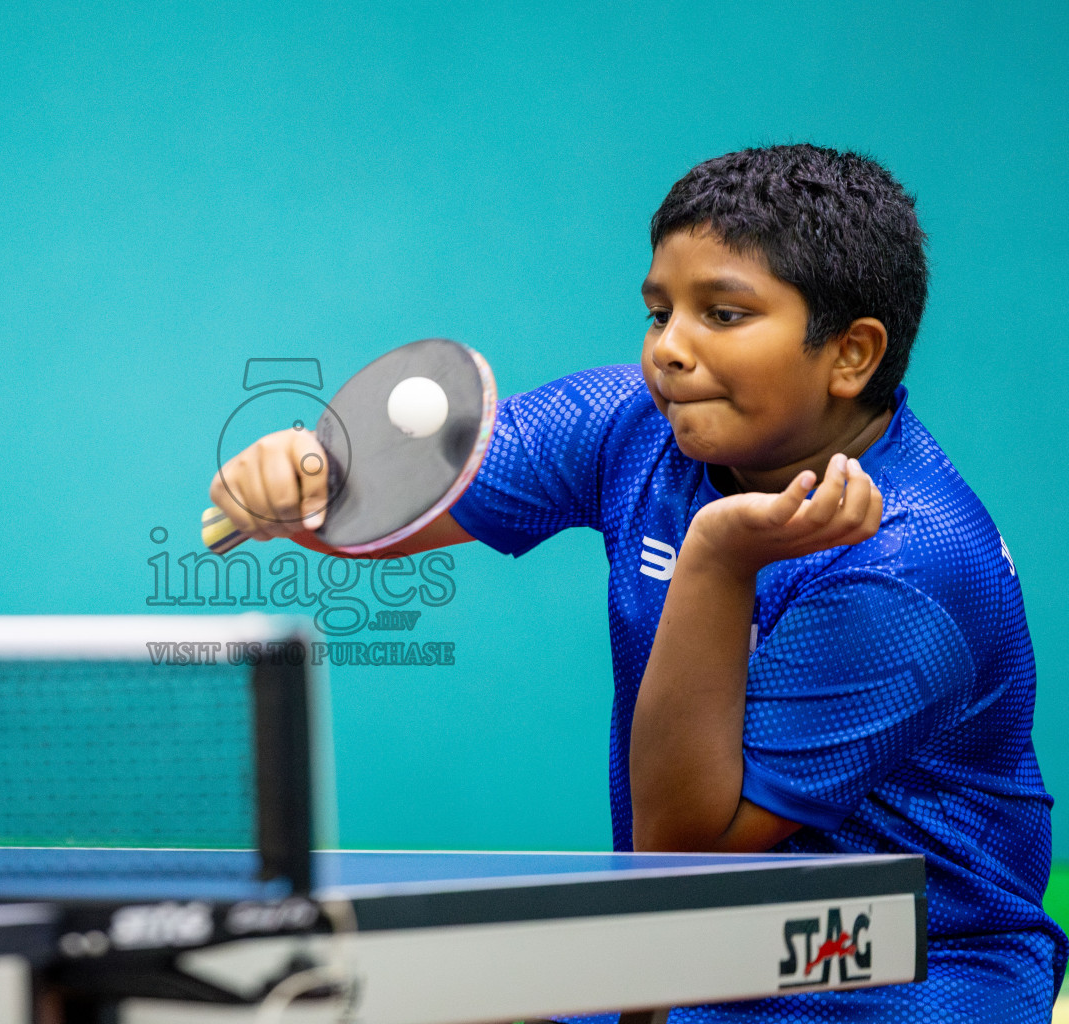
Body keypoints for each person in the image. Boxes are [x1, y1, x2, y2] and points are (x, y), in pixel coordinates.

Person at [208, 144, 1064, 1020]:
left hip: (903, 975)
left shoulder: (906, 566)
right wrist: (305, 483)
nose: (670, 350)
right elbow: (398, 510)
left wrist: (718, 560)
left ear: (851, 354)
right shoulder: (632, 427)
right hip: (692, 952)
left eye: (723, 314)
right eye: (660, 312)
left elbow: (687, 851)